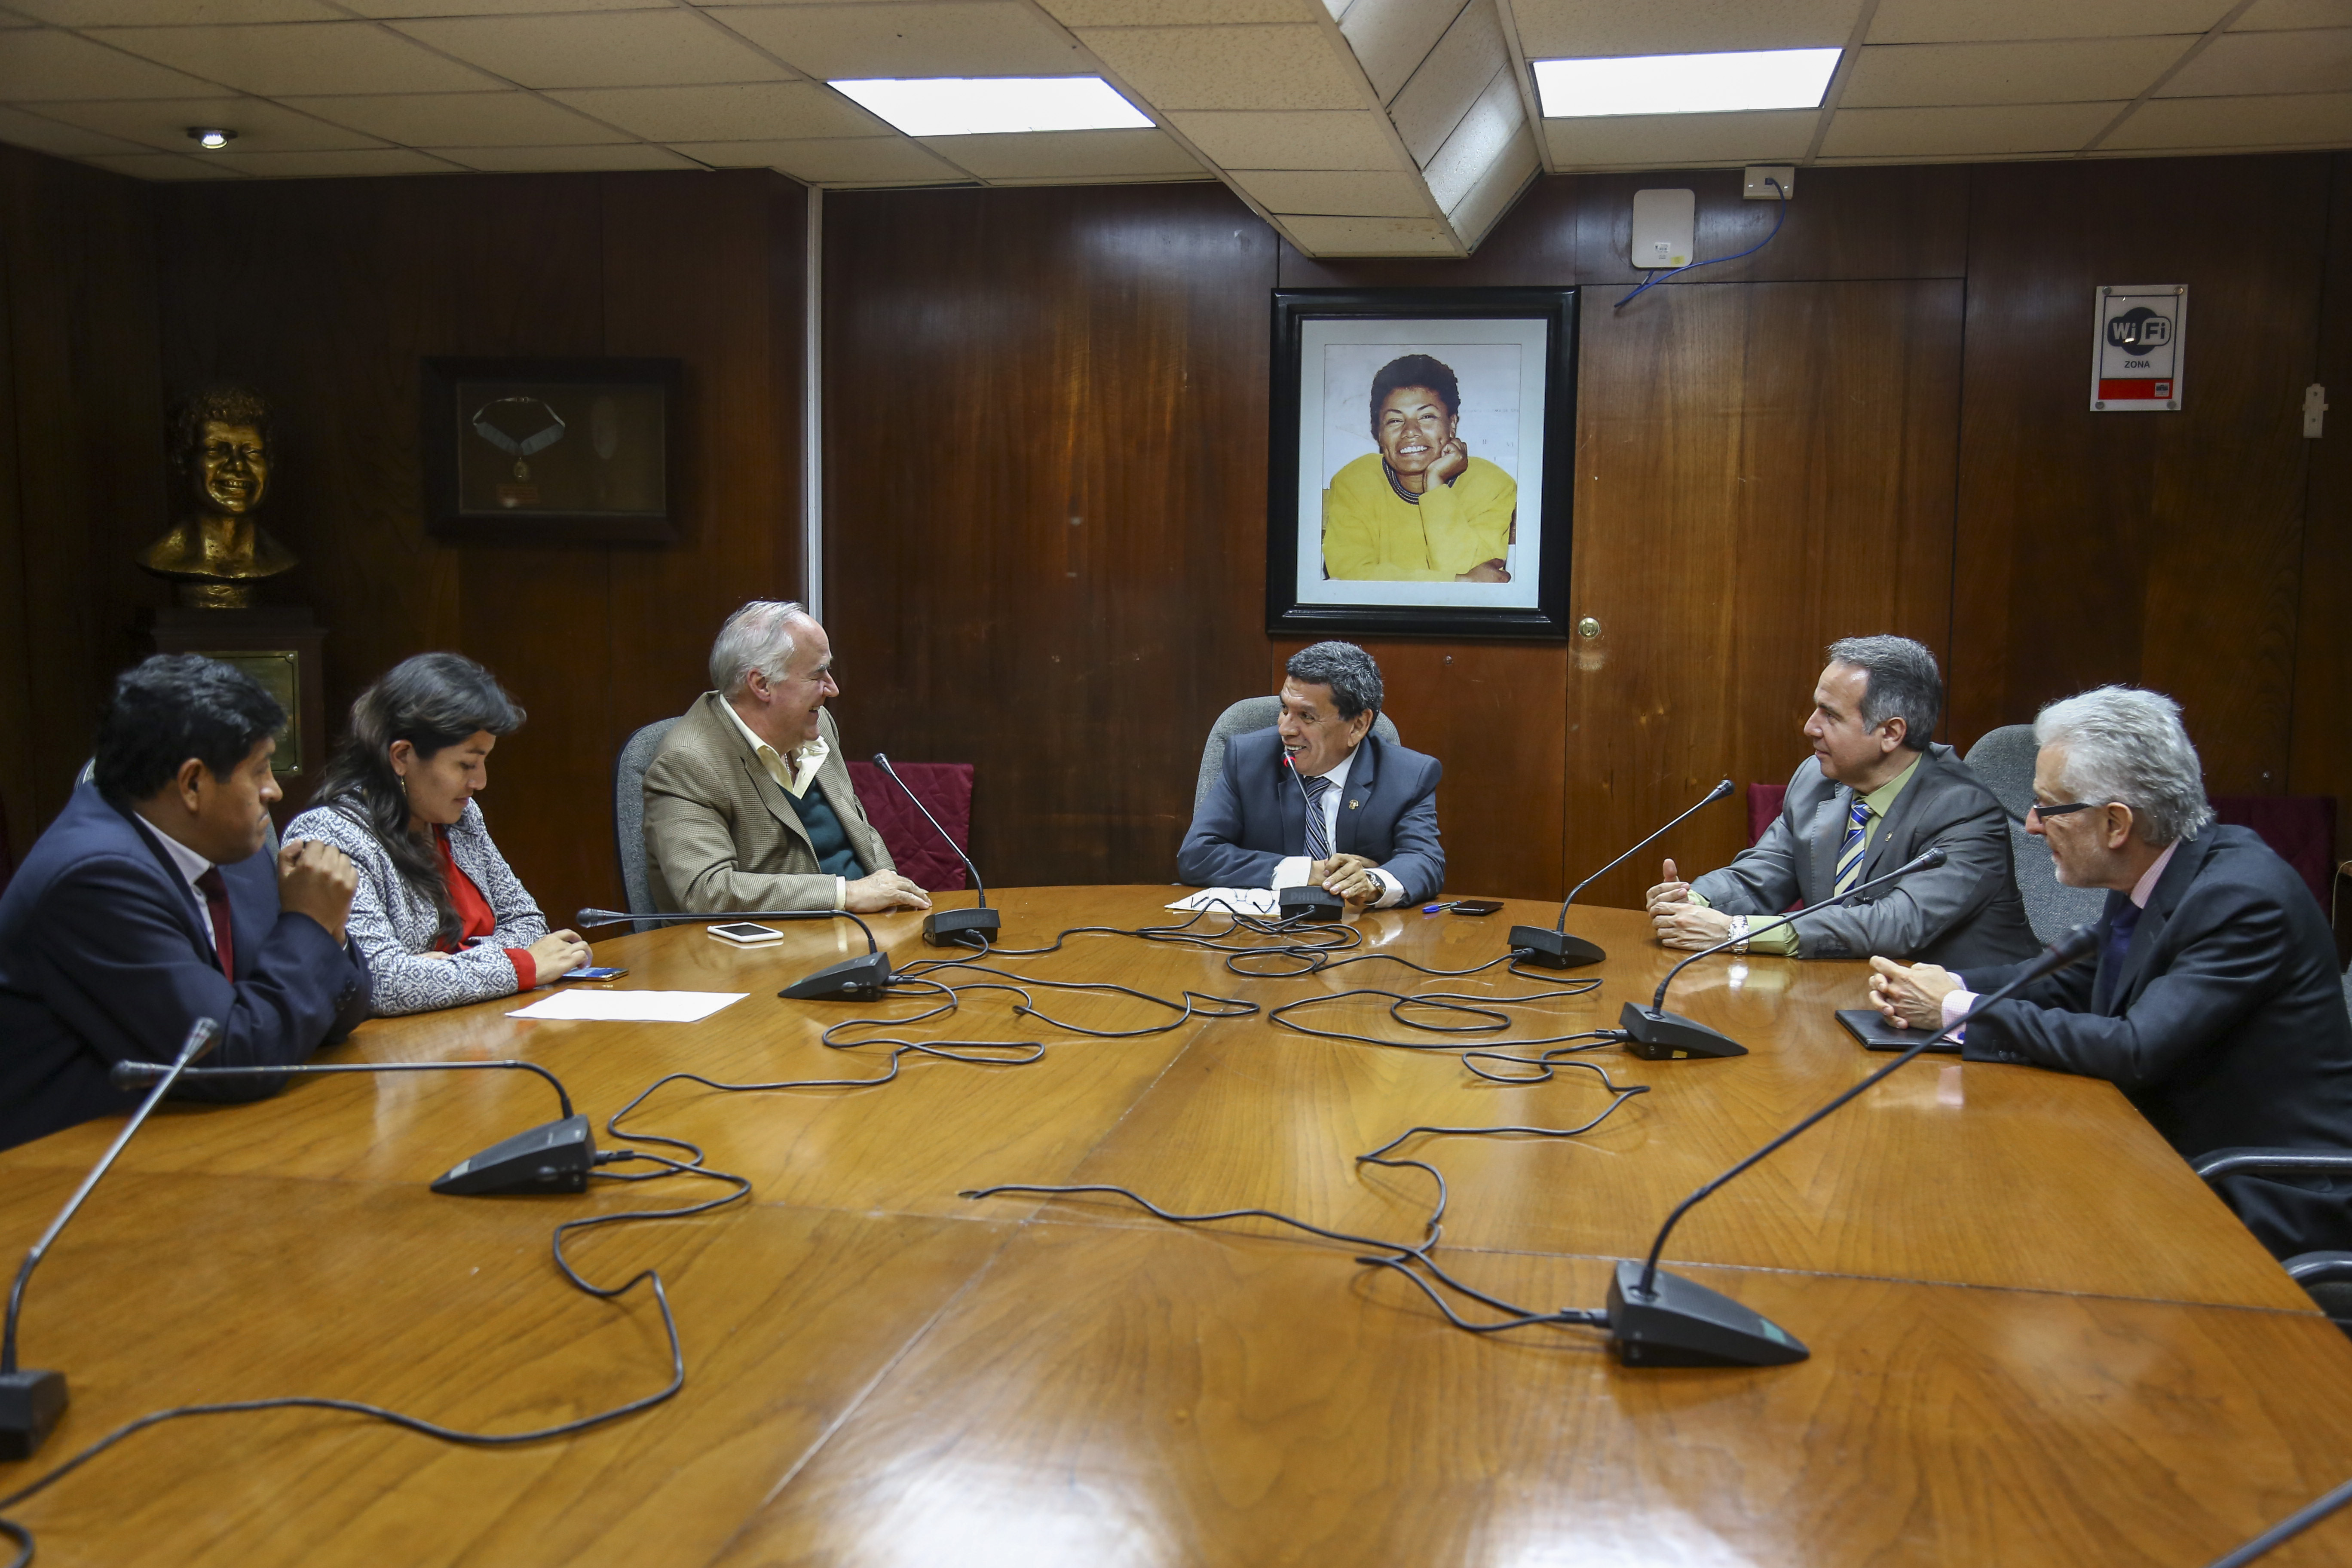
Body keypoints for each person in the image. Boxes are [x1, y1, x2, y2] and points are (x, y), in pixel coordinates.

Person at [1867, 686, 2352, 1260]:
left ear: (2116, 823)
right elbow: (2073, 981)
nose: (2030, 826)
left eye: (2047, 807)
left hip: (2260, 1192)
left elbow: (2136, 1047)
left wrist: (1957, 1013)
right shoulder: (2159, 871)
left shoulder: (2242, 898)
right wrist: (1940, 984)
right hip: (2159, 1151)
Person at [0, 654, 371, 1150]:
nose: (275, 791)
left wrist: (331, 927)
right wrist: (306, 922)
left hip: (198, 1134)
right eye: (260, 770)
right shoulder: (96, 877)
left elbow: (334, 1020)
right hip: (67, 1167)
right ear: (192, 783)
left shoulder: (238, 844)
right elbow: (233, 1059)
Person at [1647, 634, 2038, 965]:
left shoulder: (1964, 811)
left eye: (1830, 716)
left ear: (1891, 733)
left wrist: (1736, 931)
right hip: (1852, 995)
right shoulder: (1816, 779)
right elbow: (1763, 875)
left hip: (1969, 1024)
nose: (1809, 727)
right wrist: (1693, 900)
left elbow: (1896, 924)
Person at [286, 654, 589, 1016]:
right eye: (466, 764)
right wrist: (521, 966)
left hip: (484, 1025)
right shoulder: (330, 836)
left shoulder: (461, 817)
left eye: (483, 762)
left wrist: (443, 969)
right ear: (401, 756)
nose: (480, 782)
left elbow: (528, 922)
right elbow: (382, 983)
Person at [644, 600, 931, 915]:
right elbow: (706, 891)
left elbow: (863, 835)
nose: (832, 689)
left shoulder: (816, 724)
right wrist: (843, 895)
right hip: (762, 951)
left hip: (865, 931)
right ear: (762, 684)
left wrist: (897, 903)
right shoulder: (689, 761)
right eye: (818, 674)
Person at [1179, 641, 1444, 908]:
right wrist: (1307, 872)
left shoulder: (1408, 775)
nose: (1285, 729)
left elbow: (1424, 860)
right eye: (1284, 710)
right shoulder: (1249, 759)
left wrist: (1372, 882)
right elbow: (1198, 855)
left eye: (1306, 716)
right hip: (1257, 934)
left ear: (1358, 725)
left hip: (1363, 937)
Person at [1321, 354, 1517, 583]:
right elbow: (1349, 575)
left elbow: (1471, 583)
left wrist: (1435, 485)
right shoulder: (1355, 481)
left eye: (1427, 416)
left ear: (1452, 424)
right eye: (1395, 420)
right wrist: (1457, 581)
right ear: (1379, 432)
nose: (1410, 431)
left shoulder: (1492, 485)